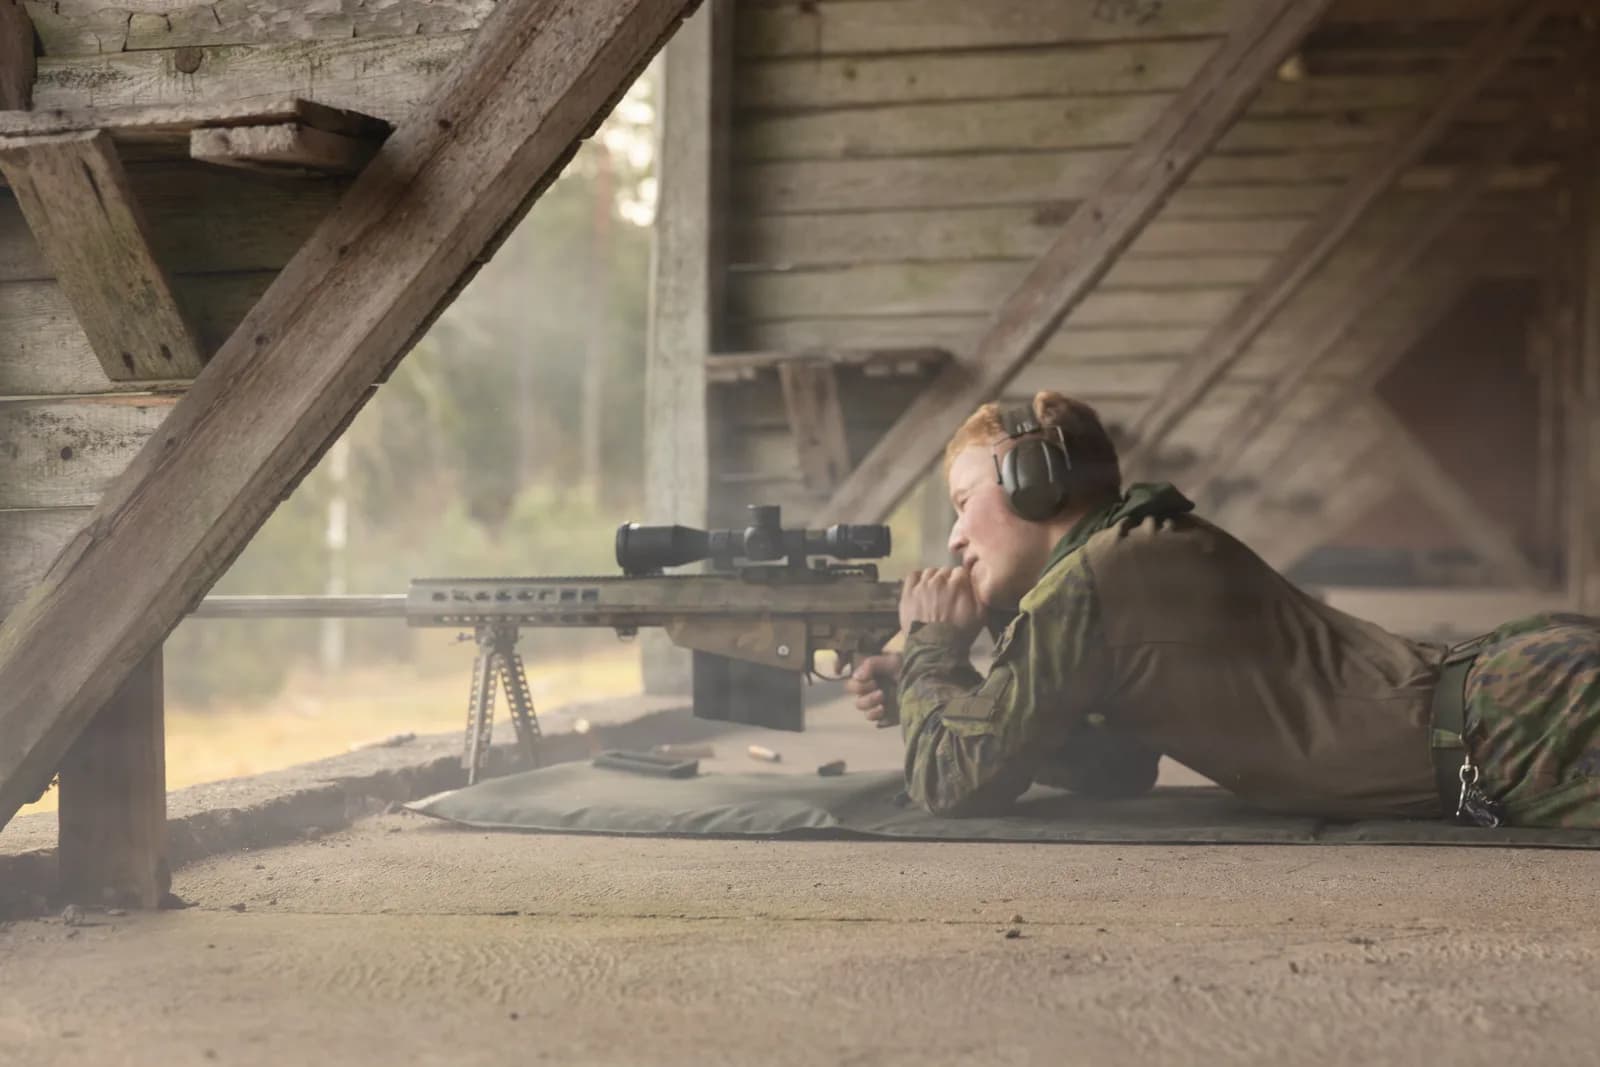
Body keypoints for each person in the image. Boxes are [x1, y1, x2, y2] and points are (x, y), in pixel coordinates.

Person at [845, 390, 1600, 827]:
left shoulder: (1097, 579)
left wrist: (933, 652)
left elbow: (955, 780)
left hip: (1529, 724)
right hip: (1517, 708)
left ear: (1033, 482)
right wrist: (933, 685)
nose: (953, 535)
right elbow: (1114, 764)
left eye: (963, 500)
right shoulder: (1127, 552)